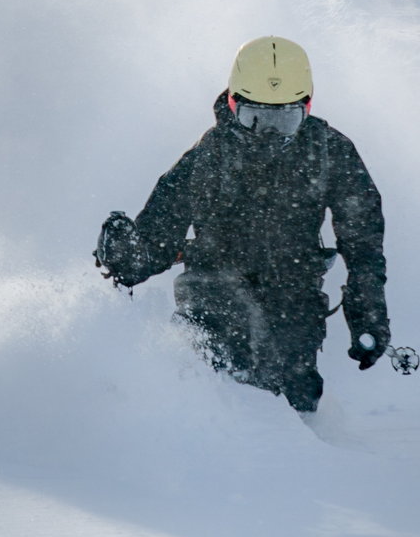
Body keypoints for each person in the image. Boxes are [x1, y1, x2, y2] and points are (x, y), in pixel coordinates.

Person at [94, 37, 390, 416]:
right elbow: (155, 241)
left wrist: (367, 315)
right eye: (255, 118)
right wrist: (125, 255)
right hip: (212, 287)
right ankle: (189, 422)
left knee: (293, 392)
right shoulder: (207, 157)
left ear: (307, 106)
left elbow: (364, 244)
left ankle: (297, 453)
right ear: (233, 104)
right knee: (234, 369)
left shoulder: (328, 151)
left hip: (293, 293)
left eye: (284, 120)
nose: (267, 134)